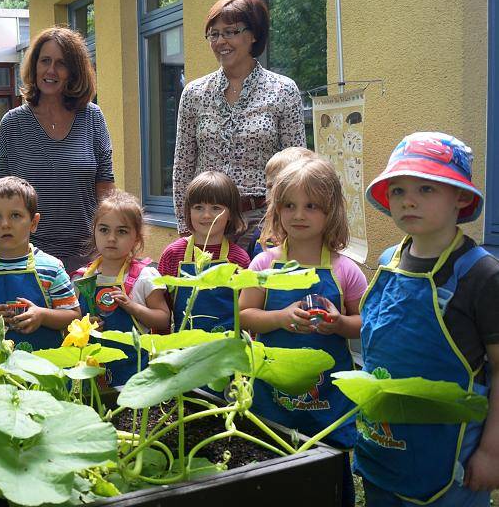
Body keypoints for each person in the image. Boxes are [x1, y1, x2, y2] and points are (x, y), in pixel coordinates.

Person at [355, 132, 499, 506]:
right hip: (382, 444)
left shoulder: (481, 275)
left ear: (461, 197)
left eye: (426, 188)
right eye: (398, 191)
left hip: (450, 461)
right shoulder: (389, 260)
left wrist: (492, 452)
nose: (409, 200)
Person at [239, 158, 365, 507]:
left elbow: (364, 323)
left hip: (329, 398)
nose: (299, 214)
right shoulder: (264, 264)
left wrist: (339, 323)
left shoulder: (345, 270)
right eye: (289, 205)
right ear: (276, 211)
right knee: (274, 470)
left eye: (311, 206)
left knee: (330, 474)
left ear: (331, 212)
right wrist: (279, 317)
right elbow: (245, 315)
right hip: (272, 394)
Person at [172, 0, 305, 249]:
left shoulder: (283, 90)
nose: (221, 41)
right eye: (214, 34)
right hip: (207, 225)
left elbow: (297, 168)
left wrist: (285, 226)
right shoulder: (194, 93)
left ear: (253, 34)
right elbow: (183, 167)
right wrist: (185, 228)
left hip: (265, 225)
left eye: (230, 32)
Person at [0, 26, 115, 273]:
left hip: (86, 257)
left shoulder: (92, 117)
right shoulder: (12, 123)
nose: (51, 70)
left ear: (74, 71)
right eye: (45, 61)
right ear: (34, 66)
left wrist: (106, 245)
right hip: (26, 257)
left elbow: (105, 190)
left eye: (61, 63)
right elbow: (0, 197)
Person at [0, 176, 81, 350]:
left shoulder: (52, 268)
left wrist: (42, 315)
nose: (5, 224)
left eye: (15, 215)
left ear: (34, 223)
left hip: (45, 370)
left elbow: (74, 316)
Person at [71, 190, 170, 386]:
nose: (111, 238)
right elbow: (71, 323)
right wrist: (85, 325)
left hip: (135, 375)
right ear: (94, 232)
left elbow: (163, 319)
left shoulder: (145, 277)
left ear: (137, 239)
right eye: (104, 230)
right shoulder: (81, 278)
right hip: (90, 376)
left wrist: (133, 307)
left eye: (122, 231)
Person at [160, 171, 250, 333]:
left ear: (230, 213)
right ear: (188, 212)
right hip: (183, 348)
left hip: (225, 349)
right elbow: (161, 309)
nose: (207, 215)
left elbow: (247, 312)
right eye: (198, 208)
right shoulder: (173, 254)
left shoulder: (239, 258)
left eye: (216, 208)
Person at [246, 147, 317, 258]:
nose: (274, 193)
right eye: (270, 186)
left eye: (282, 187)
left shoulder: (317, 238)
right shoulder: (260, 235)